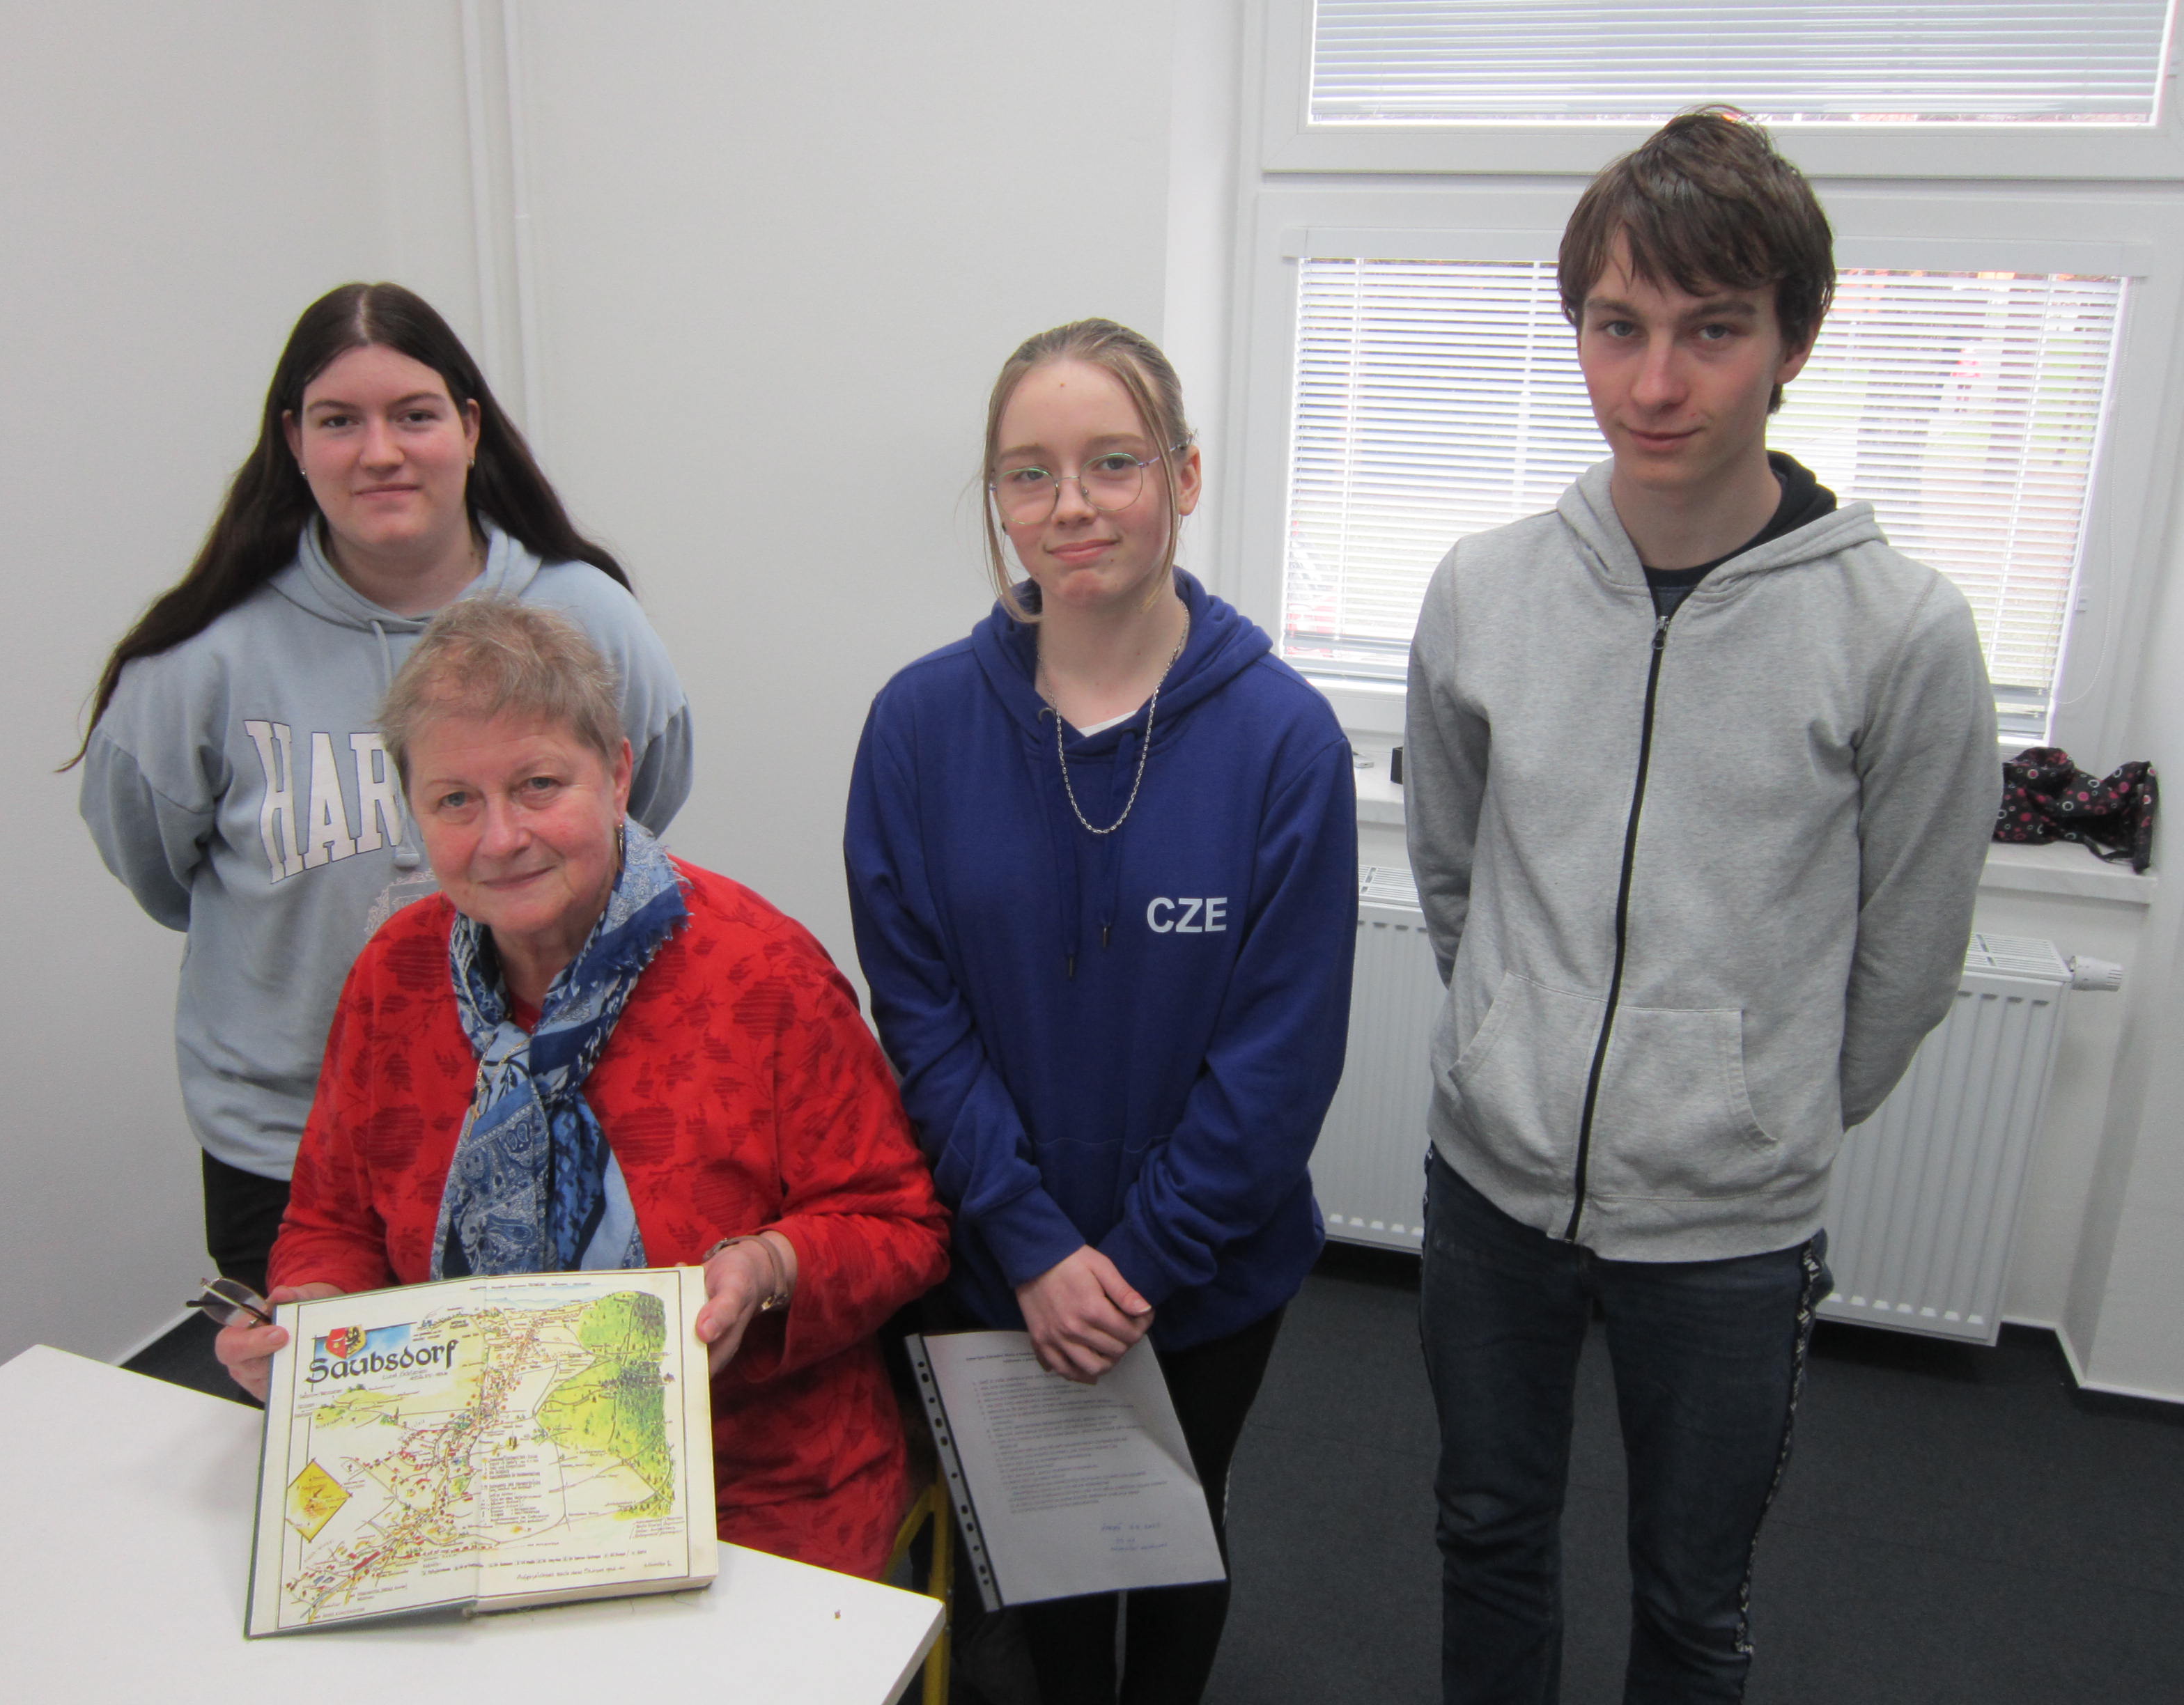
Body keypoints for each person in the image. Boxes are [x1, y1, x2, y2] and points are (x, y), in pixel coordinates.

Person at [1402, 109, 2000, 1702]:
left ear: (1795, 342)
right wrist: (1512, 1042)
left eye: (1712, 331)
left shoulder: (1902, 634)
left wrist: (1758, 1103)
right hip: (1492, 1187)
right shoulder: (1484, 590)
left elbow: (1910, 953)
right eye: (1618, 327)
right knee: (1486, 1537)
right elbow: (1455, 871)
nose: (1655, 384)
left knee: (1690, 1599)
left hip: (1732, 1230)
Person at [215, 599, 947, 1578]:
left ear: (618, 776)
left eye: (538, 785)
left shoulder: (763, 975)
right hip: (458, 1463)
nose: (501, 837)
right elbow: (332, 1219)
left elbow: (900, 1225)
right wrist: (310, 1317)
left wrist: (769, 1266)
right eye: (455, 801)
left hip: (747, 1476)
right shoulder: (395, 975)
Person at [845, 319, 1357, 1702]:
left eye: (1112, 462)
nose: (1070, 504)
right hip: (999, 1263)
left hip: (1207, 1272)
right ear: (1000, 500)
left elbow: (1280, 1059)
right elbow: (921, 1019)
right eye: (1031, 472)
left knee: (1178, 1540)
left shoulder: (1283, 742)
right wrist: (1031, 1247)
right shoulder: (918, 729)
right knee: (1049, 1564)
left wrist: (1135, 1263)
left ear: (1183, 475)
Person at [77, 283, 692, 1297]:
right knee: (320, 1400)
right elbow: (155, 867)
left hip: (558, 1114)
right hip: (288, 1144)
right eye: (338, 421)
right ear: (292, 441)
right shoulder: (198, 659)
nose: (380, 453)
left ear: (470, 428)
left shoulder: (592, 617)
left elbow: (637, 809)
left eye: (413, 415)